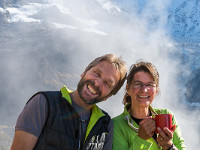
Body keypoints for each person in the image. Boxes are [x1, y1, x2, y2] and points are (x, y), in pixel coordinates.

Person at [11, 54, 127, 150]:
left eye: (107, 84)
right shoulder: (44, 103)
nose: (97, 83)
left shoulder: (105, 125)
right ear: (84, 72)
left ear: (109, 95)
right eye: (96, 73)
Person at [112, 60, 186, 150]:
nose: (144, 90)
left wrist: (169, 146)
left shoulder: (167, 116)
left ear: (156, 90)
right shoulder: (116, 125)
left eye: (150, 85)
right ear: (128, 88)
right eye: (138, 84)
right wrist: (141, 139)